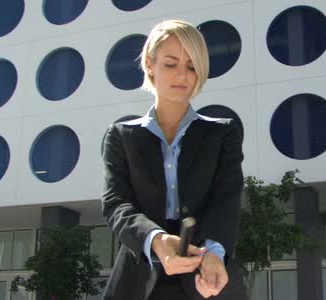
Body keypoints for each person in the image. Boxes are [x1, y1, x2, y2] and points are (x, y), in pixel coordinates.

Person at [101, 19, 246, 300]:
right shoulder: (120, 136)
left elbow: (226, 199)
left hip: (207, 275)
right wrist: (156, 240)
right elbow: (116, 204)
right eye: (171, 64)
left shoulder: (223, 133)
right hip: (137, 279)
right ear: (150, 64)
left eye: (192, 66)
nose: (182, 75)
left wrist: (214, 254)